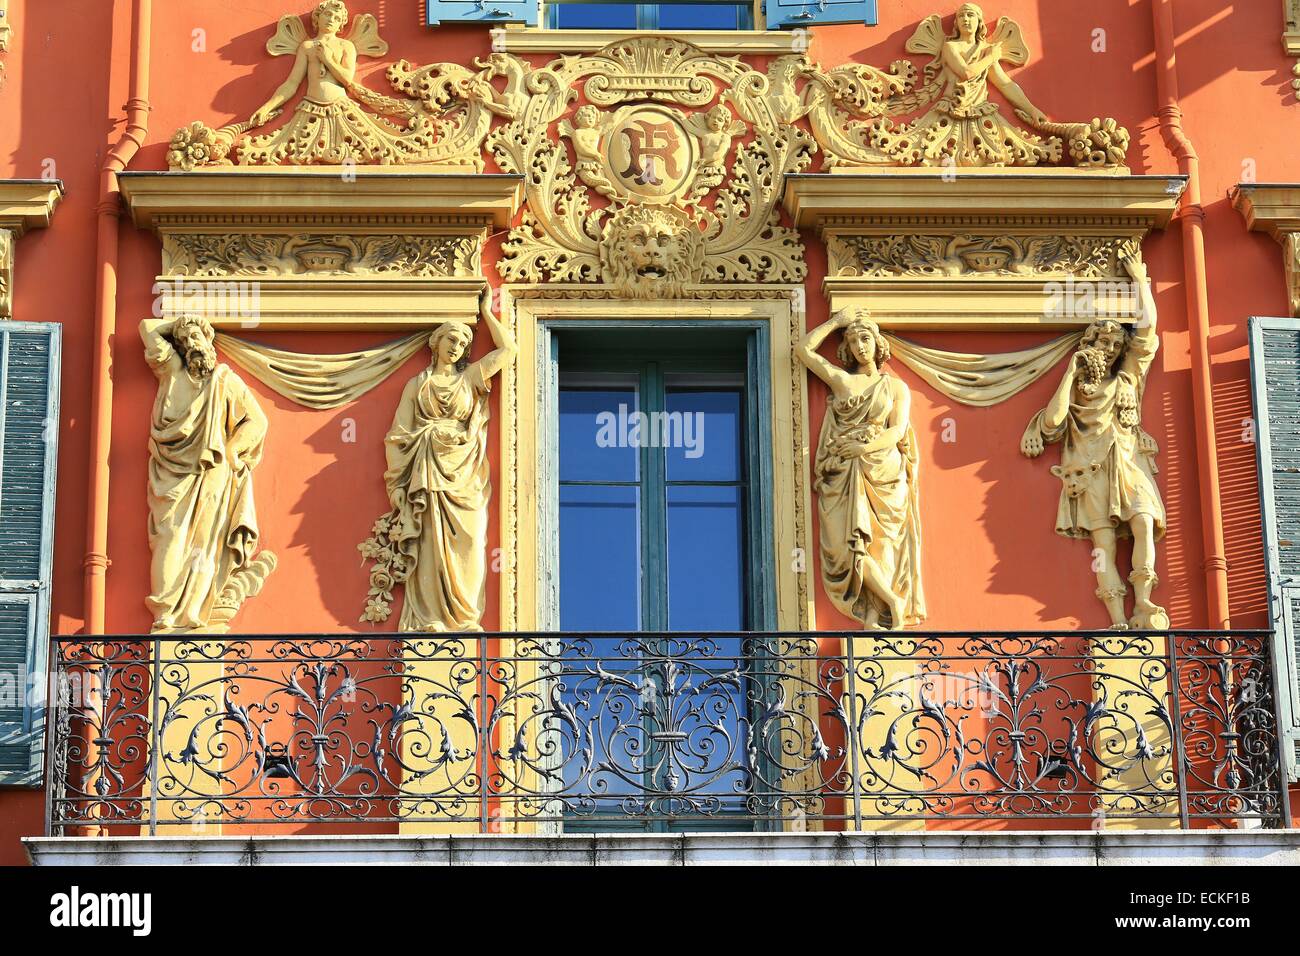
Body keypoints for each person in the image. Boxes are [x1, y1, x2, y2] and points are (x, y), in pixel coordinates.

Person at [1021, 254, 1167, 629]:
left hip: (1128, 464)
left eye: (1114, 342)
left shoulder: (1128, 380)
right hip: (1088, 472)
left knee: (1144, 521)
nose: (1108, 347)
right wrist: (1070, 372)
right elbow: (1052, 423)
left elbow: (1148, 333)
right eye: (1101, 340)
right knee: (1104, 547)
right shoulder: (1079, 391)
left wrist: (1141, 283)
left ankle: (1145, 602)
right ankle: (1118, 619)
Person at [379, 300, 516, 631]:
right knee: (430, 544)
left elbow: (508, 350)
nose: (457, 347)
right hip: (425, 471)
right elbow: (398, 437)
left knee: (469, 540)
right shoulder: (418, 386)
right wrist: (397, 487)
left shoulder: (469, 378)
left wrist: (487, 312)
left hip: (464, 473)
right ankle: (432, 618)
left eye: (464, 343)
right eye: (451, 339)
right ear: (436, 342)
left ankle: (464, 617)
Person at [139, 314, 275, 632]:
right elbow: (146, 328)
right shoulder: (171, 372)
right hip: (172, 475)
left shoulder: (224, 381)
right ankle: (166, 612)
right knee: (170, 535)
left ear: (209, 342)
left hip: (213, 469)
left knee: (205, 540)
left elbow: (257, 421)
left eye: (197, 339)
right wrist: (180, 326)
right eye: (185, 342)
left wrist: (231, 450)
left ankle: (193, 612)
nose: (192, 346)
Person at [799, 308, 925, 630]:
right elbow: (803, 350)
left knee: (880, 542)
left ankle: (876, 613)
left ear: (877, 342)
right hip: (843, 470)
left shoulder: (896, 388)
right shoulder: (843, 381)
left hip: (883, 468)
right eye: (853, 341)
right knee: (848, 543)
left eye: (865, 338)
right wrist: (835, 323)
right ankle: (892, 602)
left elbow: (897, 431)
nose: (860, 346)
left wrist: (864, 447)